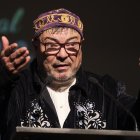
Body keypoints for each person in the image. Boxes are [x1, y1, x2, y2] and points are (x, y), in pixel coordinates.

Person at [0, 8, 140, 140]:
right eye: (52, 45)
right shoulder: (15, 88)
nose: (62, 54)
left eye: (72, 45)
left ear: (81, 46)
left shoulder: (106, 90)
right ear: (36, 46)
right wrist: (3, 77)